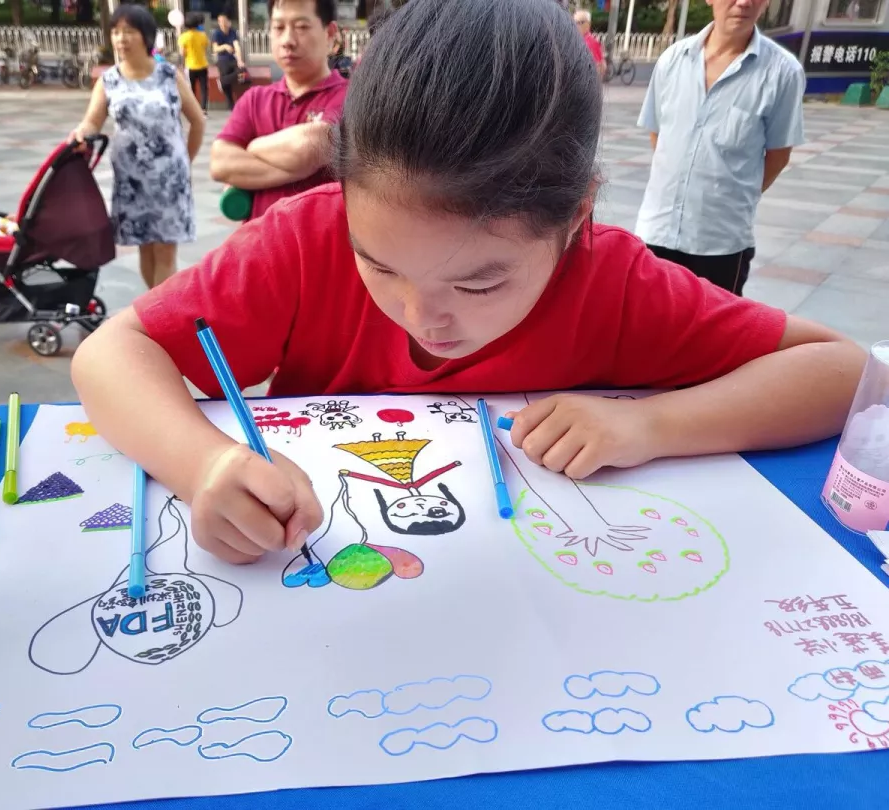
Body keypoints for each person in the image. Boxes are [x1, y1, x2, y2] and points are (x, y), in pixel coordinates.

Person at [72, 0, 864, 566]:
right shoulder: (307, 239)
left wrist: (648, 426)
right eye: (379, 265)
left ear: (574, 217)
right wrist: (203, 464)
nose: (423, 318)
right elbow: (111, 354)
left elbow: (843, 372)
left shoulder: (611, 280)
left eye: (481, 284)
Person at [635, 0, 805, 295]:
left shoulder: (782, 72)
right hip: (656, 232)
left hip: (721, 245)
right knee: (649, 321)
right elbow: (658, 135)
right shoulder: (673, 60)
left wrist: (729, 196)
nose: (743, 3)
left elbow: (778, 155)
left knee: (715, 325)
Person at [69, 4, 205, 290]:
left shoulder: (169, 75)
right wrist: (81, 133)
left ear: (146, 36)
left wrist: (185, 161)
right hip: (131, 181)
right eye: (116, 32)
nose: (121, 39)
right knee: (145, 248)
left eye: (129, 31)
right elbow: (92, 121)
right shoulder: (109, 80)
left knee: (165, 250)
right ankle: (154, 304)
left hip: (169, 180)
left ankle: (160, 312)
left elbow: (197, 121)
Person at [209, 0, 348, 221]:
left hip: (323, 240)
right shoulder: (254, 99)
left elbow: (312, 145)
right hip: (257, 241)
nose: (287, 41)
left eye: (301, 27)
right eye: (278, 27)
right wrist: (298, 166)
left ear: (330, 33)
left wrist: (251, 148)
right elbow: (220, 162)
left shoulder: (352, 98)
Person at [179, 12, 211, 115]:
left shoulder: (184, 37)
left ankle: (194, 109)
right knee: (204, 88)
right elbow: (205, 48)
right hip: (203, 65)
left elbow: (182, 53)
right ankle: (204, 109)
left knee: (191, 89)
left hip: (190, 66)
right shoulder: (203, 35)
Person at [212, 12, 245, 110]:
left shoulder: (232, 32)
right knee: (227, 81)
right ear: (219, 23)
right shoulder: (216, 33)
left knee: (242, 70)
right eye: (221, 21)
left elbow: (237, 46)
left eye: (225, 21)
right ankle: (231, 105)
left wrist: (239, 60)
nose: (223, 23)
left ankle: (222, 81)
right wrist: (225, 46)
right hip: (222, 59)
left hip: (232, 59)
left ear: (228, 22)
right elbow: (215, 49)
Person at [574, 9, 604, 79]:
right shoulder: (576, 40)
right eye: (574, 22)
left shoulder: (592, 42)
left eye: (580, 22)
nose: (576, 25)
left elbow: (600, 66)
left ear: (588, 24)